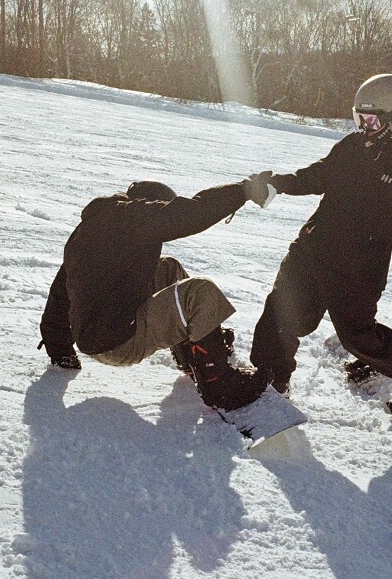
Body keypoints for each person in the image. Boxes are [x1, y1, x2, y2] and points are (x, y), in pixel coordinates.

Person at [248, 73, 392, 419]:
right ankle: (268, 382)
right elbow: (315, 176)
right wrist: (276, 184)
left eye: (371, 120)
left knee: (358, 337)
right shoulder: (351, 148)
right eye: (358, 118)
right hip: (314, 246)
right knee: (281, 312)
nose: (363, 127)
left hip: (361, 265)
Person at [38, 176, 276, 411]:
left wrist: (61, 351)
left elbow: (62, 291)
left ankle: (191, 355)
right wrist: (244, 191)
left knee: (168, 268)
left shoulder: (93, 228)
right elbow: (192, 212)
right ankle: (221, 387)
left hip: (98, 335)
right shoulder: (134, 218)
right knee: (201, 292)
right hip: (118, 342)